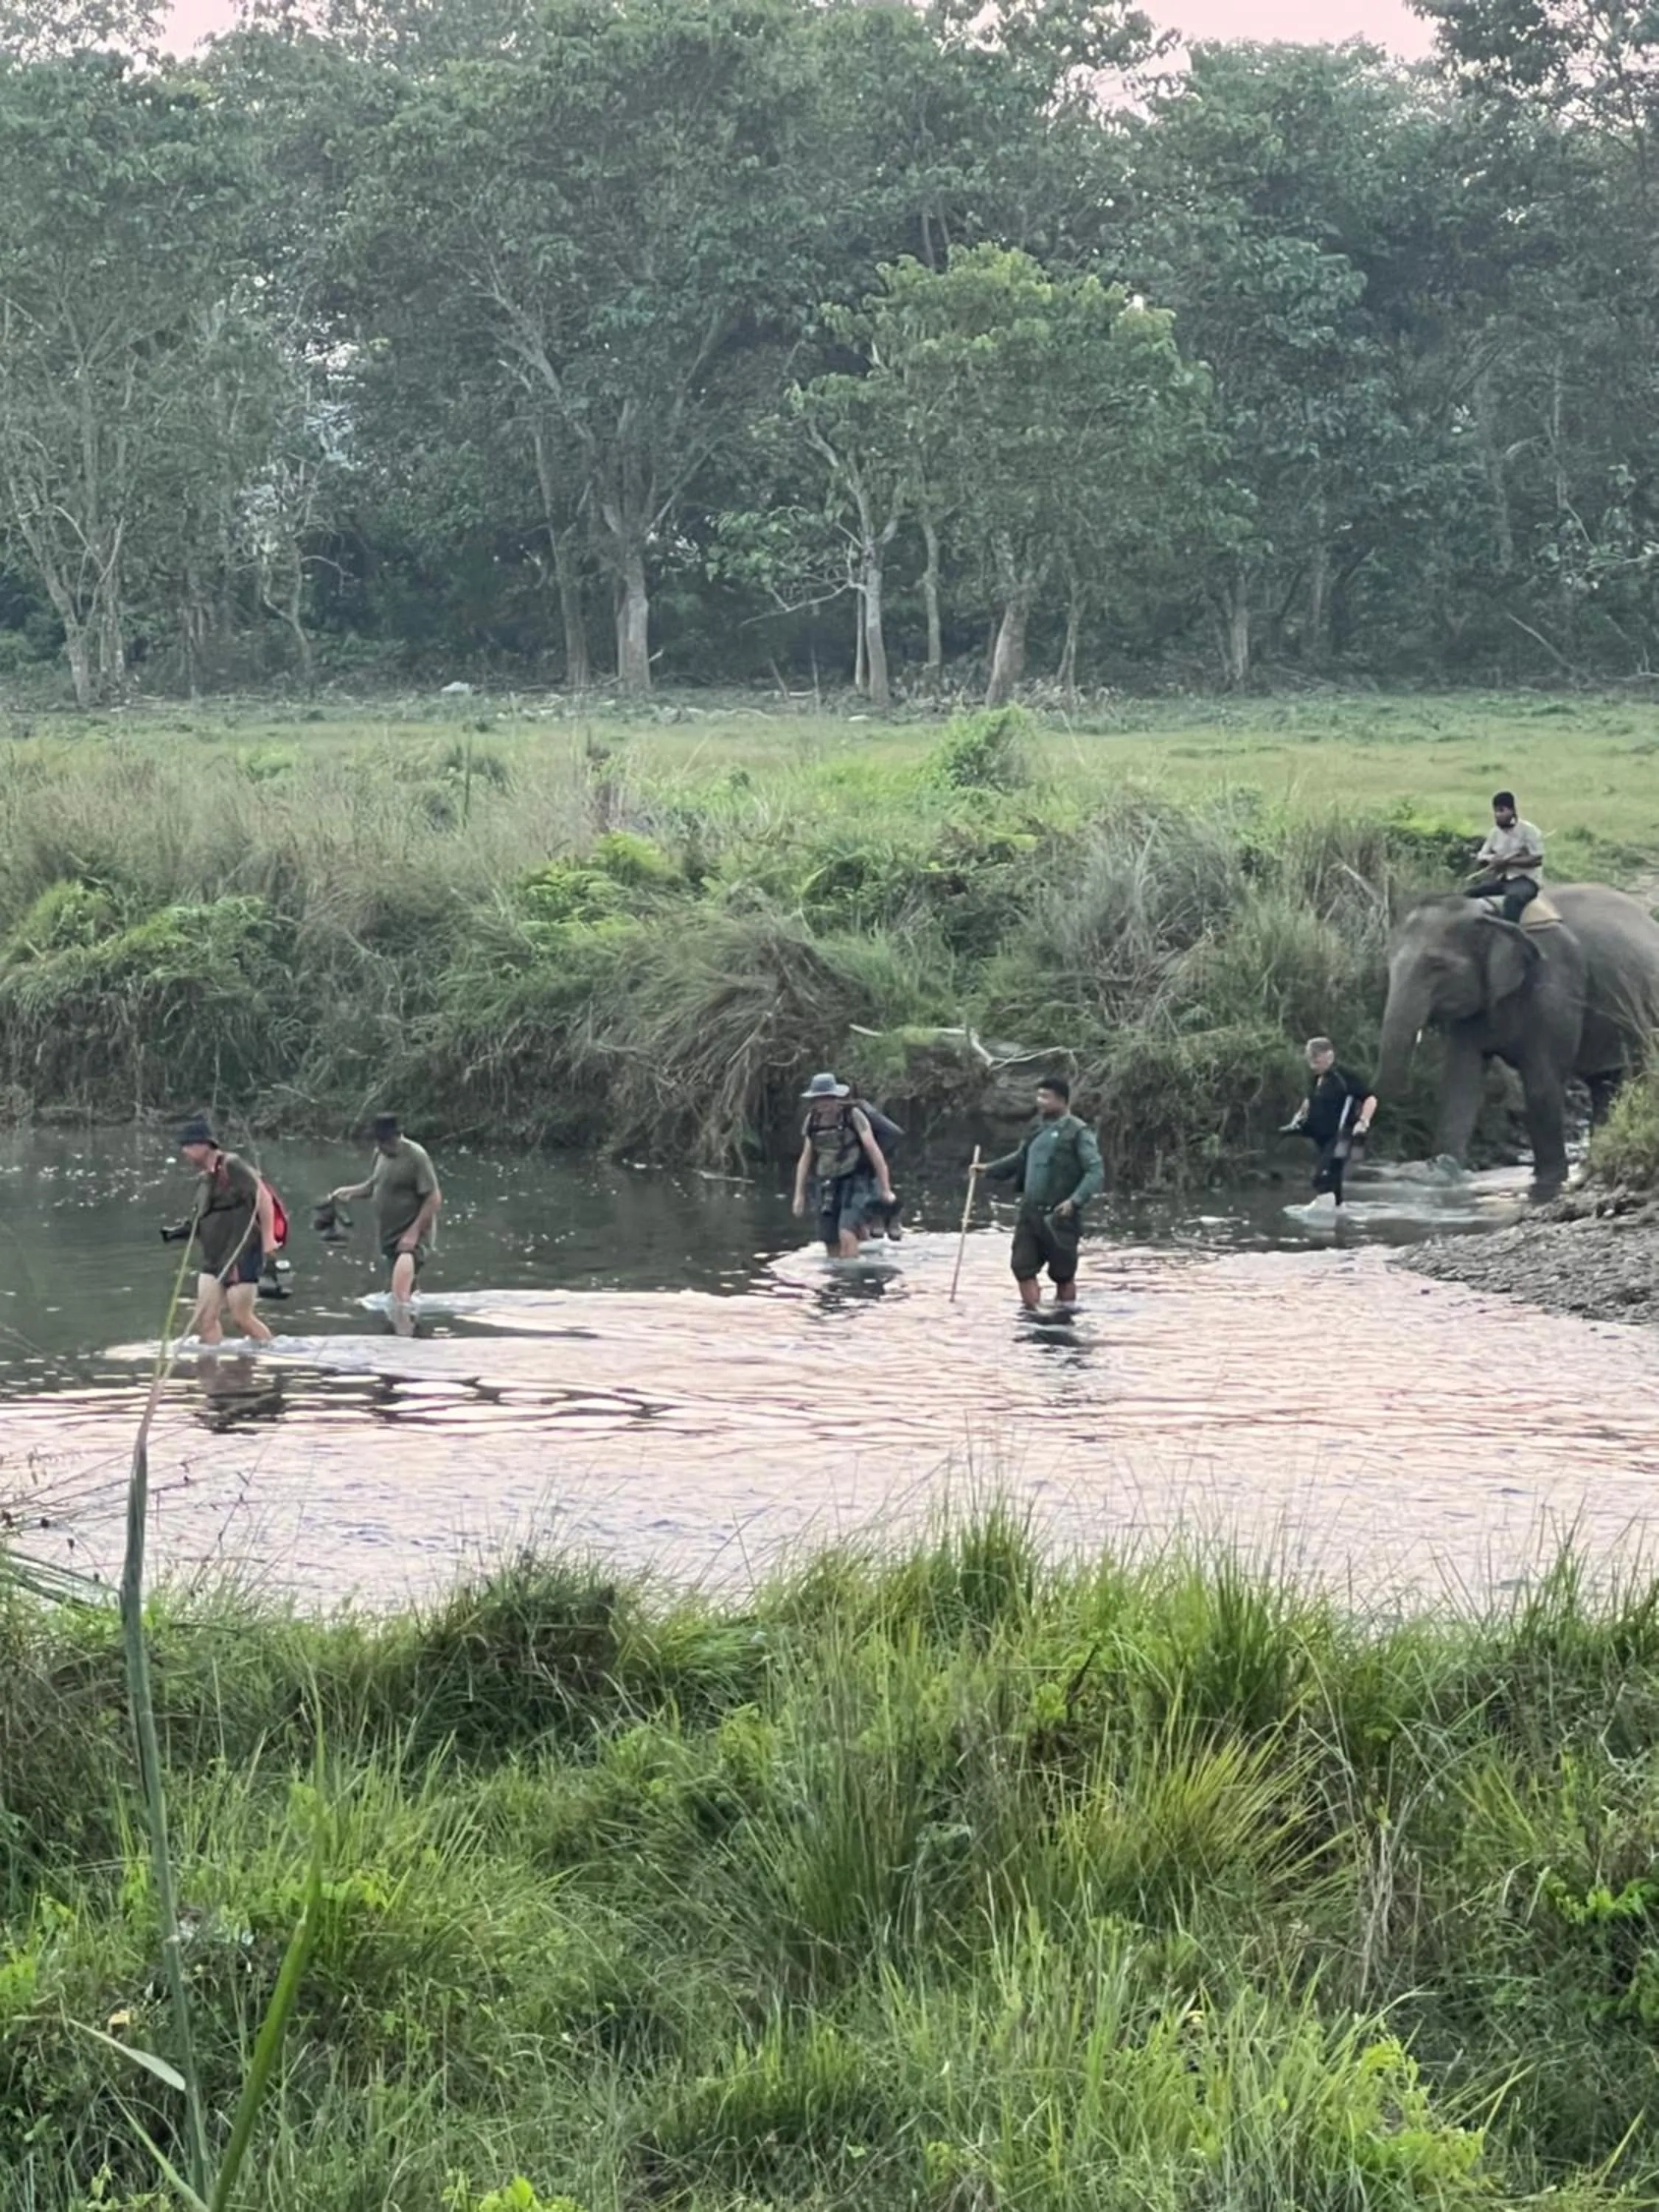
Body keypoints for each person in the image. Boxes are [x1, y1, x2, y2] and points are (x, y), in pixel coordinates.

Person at [975, 1075, 1104, 1311]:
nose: (1039, 1101)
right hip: (1030, 1213)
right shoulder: (1037, 1130)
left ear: (1062, 1100)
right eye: (1038, 1096)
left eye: (1046, 1097)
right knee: (1022, 1268)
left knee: (1063, 1274)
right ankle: (1033, 1316)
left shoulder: (1078, 1131)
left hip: (1060, 1216)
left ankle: (1064, 1318)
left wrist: (1075, 1201)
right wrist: (988, 1170)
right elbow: (1019, 1159)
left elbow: (1095, 1171)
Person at [171, 1116, 276, 1346]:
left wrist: (269, 1239)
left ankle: (271, 1352)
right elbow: (204, 1216)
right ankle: (210, 1367)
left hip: (241, 1253)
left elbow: (264, 1198)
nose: (184, 1152)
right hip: (214, 1256)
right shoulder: (205, 1179)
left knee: (242, 1319)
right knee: (205, 1320)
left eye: (188, 1146)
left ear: (204, 1144)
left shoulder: (233, 1165)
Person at [327, 1111, 442, 1302]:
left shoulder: (416, 1156)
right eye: (378, 1141)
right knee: (403, 1293)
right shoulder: (379, 1154)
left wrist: (413, 1234)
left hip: (412, 1238)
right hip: (390, 1237)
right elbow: (375, 1185)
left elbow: (434, 1198)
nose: (381, 1146)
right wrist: (349, 1192)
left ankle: (403, 1321)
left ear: (397, 1136)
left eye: (385, 1141)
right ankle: (412, 1319)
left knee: (399, 1299)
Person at [792, 1072, 895, 1258]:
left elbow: (874, 1151)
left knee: (846, 1233)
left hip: (855, 1181)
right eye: (818, 1099)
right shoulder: (812, 1121)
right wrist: (799, 1195)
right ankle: (839, 1271)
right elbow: (806, 1158)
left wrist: (885, 1189)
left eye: (827, 1098)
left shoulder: (853, 1116)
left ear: (836, 1097)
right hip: (827, 1183)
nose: (823, 1104)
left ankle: (851, 1272)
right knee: (830, 1240)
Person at [1284, 1038, 1377, 1209]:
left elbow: (1370, 1099)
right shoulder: (1316, 1078)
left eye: (1317, 1062)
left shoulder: (1345, 1076)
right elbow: (1309, 1100)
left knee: (1323, 1175)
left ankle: (1322, 1211)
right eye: (1310, 1062)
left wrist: (1363, 1122)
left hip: (1343, 1136)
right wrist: (1298, 1118)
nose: (1313, 1066)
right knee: (1334, 1179)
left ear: (1330, 1056)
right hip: (1323, 1137)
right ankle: (1337, 1213)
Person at [1466, 790, 1544, 925]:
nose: (1498, 815)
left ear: (1512, 811)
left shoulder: (1529, 831)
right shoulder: (1495, 833)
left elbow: (1536, 859)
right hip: (1502, 880)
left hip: (1525, 880)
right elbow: (1482, 856)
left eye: (1502, 811)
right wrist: (1493, 860)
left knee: (1513, 901)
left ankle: (1511, 933)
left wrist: (1509, 862)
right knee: (1468, 895)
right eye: (1496, 811)